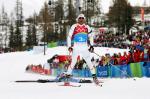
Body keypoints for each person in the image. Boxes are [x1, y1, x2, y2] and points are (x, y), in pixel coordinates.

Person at [60, 14, 99, 84]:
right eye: (80, 18)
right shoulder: (74, 26)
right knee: (73, 62)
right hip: (76, 46)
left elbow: (91, 37)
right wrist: (69, 46)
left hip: (84, 46)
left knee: (89, 61)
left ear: (84, 19)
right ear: (77, 19)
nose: (81, 19)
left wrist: (92, 46)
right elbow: (69, 37)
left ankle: (94, 77)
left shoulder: (87, 27)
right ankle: (67, 76)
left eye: (82, 18)